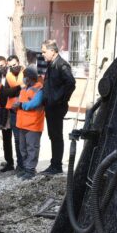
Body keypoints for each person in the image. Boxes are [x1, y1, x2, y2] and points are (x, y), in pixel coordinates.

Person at [39, 40, 76, 176]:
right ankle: (54, 164)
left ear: (53, 51)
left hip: (56, 106)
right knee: (53, 136)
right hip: (50, 105)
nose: (42, 54)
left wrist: (60, 100)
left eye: (44, 51)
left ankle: (57, 166)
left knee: (56, 136)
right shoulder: (51, 64)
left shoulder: (62, 65)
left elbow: (71, 83)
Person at [12, 68, 45, 179]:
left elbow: (34, 104)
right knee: (23, 148)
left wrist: (20, 105)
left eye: (25, 76)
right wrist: (15, 106)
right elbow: (19, 102)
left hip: (33, 125)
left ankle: (30, 170)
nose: (23, 78)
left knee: (32, 148)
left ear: (30, 77)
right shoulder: (23, 89)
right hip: (22, 125)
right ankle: (26, 168)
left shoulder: (39, 89)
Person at [0, 56, 24, 172]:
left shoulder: (26, 73)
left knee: (25, 140)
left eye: (14, 65)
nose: (13, 68)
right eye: (10, 66)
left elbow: (29, 90)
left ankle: (26, 165)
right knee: (17, 139)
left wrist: (13, 91)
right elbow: (5, 93)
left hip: (25, 111)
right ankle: (19, 165)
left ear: (18, 62)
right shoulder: (8, 77)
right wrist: (19, 87)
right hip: (13, 112)